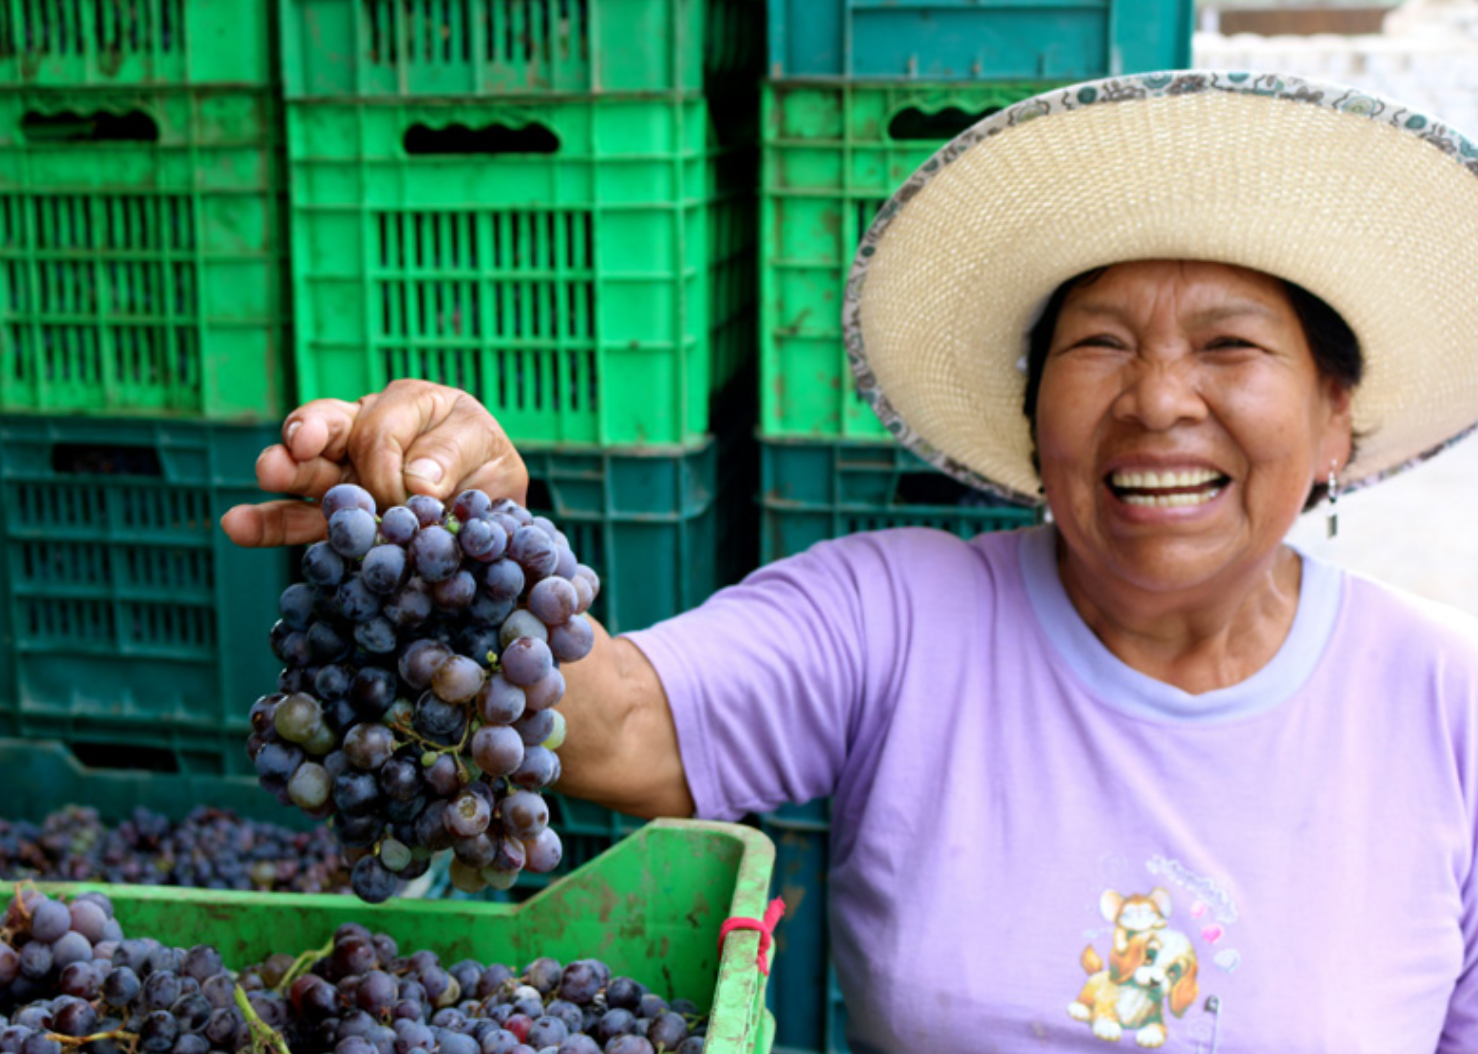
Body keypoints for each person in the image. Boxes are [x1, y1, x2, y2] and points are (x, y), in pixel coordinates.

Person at [224, 71, 1478, 1052]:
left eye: (1227, 345)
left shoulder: (1446, 702)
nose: (1157, 402)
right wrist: (470, 536)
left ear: (1332, 417)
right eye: (1099, 343)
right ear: (1032, 412)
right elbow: (604, 724)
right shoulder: (894, 614)